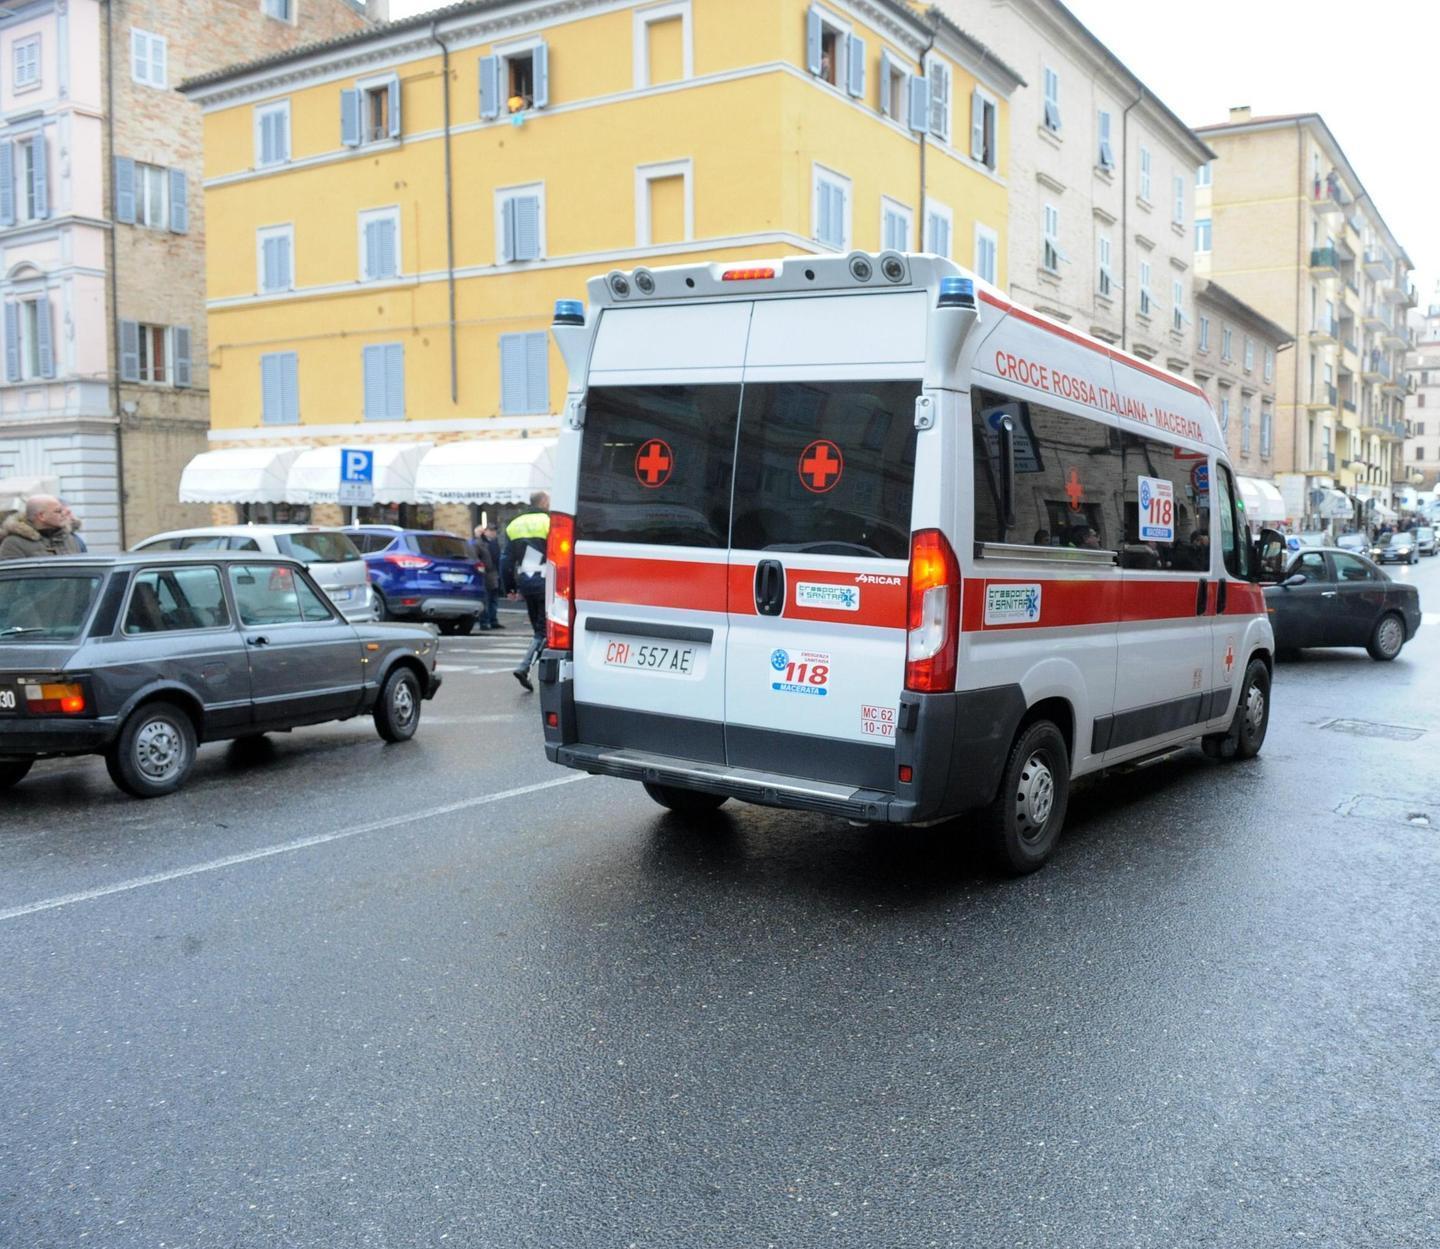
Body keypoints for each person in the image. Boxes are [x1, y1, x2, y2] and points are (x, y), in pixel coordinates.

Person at [504, 491, 550, 692]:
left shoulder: (514, 524)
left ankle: (531, 667)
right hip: (547, 581)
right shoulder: (549, 521)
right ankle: (524, 667)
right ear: (543, 502)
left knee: (538, 630)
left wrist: (510, 587)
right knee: (544, 631)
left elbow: (505, 560)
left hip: (526, 583)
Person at [0, 495, 84, 559]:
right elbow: (12, 579)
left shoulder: (71, 539)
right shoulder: (14, 543)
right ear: (41, 516)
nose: (64, 514)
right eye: (58, 511)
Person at [473, 523, 502, 631]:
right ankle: (484, 622)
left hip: (493, 573)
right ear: (485, 532)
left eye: (494, 531)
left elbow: (496, 557)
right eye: (491, 530)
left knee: (493, 599)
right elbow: (476, 558)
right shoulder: (478, 543)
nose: (493, 533)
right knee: (485, 599)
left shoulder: (494, 543)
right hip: (484, 574)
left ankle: (493, 620)